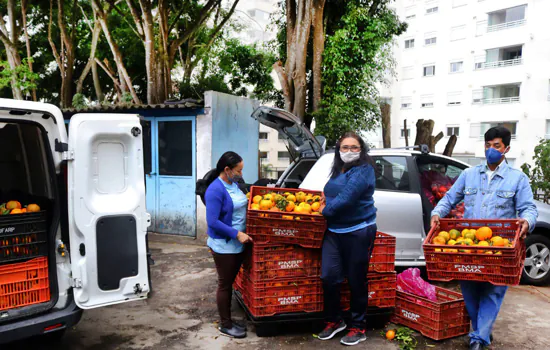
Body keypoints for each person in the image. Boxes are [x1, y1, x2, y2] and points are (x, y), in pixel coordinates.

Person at [431, 126, 538, 350]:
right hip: (470, 245)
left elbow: (528, 208)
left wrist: (526, 222)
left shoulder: (517, 179)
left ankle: (478, 339)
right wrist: (437, 213)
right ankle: (482, 331)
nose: (491, 150)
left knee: (493, 290)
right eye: (488, 145)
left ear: (506, 148)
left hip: (500, 246)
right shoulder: (469, 175)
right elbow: (449, 198)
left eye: (496, 146)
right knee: (469, 288)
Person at [316, 132, 378, 346]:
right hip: (335, 231)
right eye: (345, 147)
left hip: (358, 231)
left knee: (356, 279)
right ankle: (335, 320)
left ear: (361, 149)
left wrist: (324, 209)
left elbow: (346, 199)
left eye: (354, 147)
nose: (349, 151)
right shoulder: (338, 168)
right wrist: (325, 198)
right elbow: (333, 192)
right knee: (328, 276)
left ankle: (358, 326)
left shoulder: (364, 170)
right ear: (338, 149)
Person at [203, 151, 253, 339]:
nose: (241, 174)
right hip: (224, 245)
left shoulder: (234, 184)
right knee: (225, 284)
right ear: (227, 169)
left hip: (238, 243)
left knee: (230, 281)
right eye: (238, 170)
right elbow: (213, 221)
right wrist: (237, 233)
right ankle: (225, 325)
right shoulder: (215, 190)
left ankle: (230, 321)